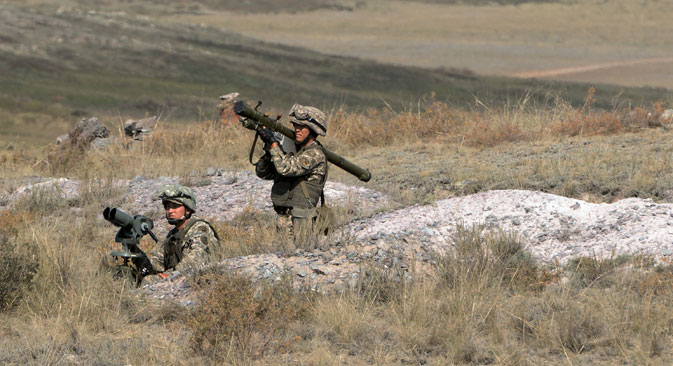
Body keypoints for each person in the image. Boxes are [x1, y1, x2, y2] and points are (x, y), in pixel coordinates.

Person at [254, 103, 329, 240]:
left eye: (302, 127)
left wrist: (274, 145)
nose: (297, 130)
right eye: (295, 126)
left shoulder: (315, 154)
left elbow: (286, 169)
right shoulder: (293, 152)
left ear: (313, 130)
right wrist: (269, 151)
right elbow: (263, 173)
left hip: (301, 223)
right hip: (283, 220)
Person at [144, 184, 220, 280]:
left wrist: (172, 276)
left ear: (187, 210)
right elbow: (157, 262)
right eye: (168, 207)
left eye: (175, 206)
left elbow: (197, 258)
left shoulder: (200, 228)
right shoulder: (172, 234)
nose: (170, 211)